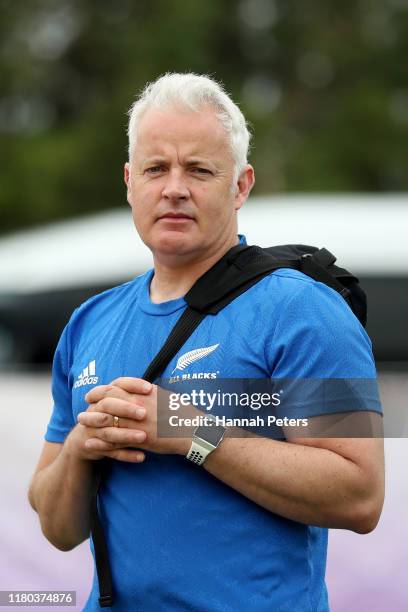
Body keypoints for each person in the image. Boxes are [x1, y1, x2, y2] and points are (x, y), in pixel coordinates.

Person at [28, 73, 384, 611]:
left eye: (198, 169)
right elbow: (58, 528)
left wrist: (185, 430)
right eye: (155, 169)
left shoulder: (301, 308)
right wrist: (81, 449)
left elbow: (360, 496)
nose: (174, 187)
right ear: (129, 181)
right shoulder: (89, 322)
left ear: (240, 185)